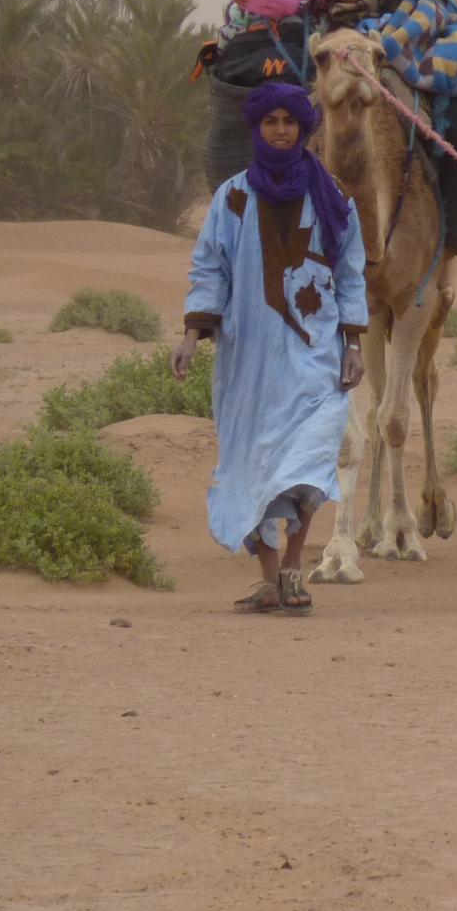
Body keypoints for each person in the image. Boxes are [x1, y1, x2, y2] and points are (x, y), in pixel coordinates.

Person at [171, 81, 366, 615]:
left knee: (306, 465)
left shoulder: (333, 198)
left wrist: (353, 342)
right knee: (251, 466)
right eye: (271, 122)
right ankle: (268, 578)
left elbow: (350, 273)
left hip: (315, 357)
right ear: (256, 128)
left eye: (290, 122)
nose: (281, 130)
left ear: (304, 130)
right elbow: (210, 266)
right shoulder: (232, 196)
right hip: (249, 361)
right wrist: (193, 332)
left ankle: (294, 570)